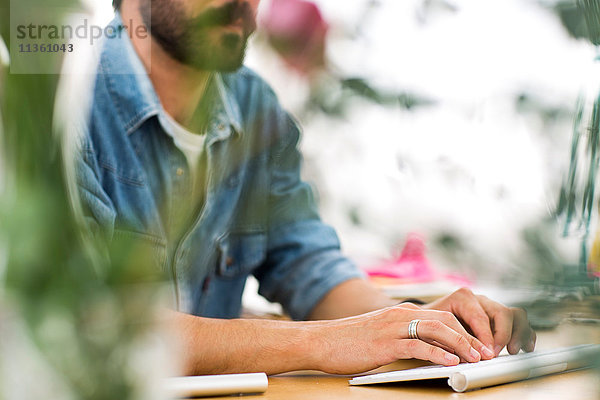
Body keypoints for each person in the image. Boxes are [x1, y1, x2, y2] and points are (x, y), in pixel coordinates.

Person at [75, 0, 536, 375]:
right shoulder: (53, 103)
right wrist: (328, 342)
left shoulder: (256, 107)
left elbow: (309, 268)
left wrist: (416, 325)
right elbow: (96, 328)